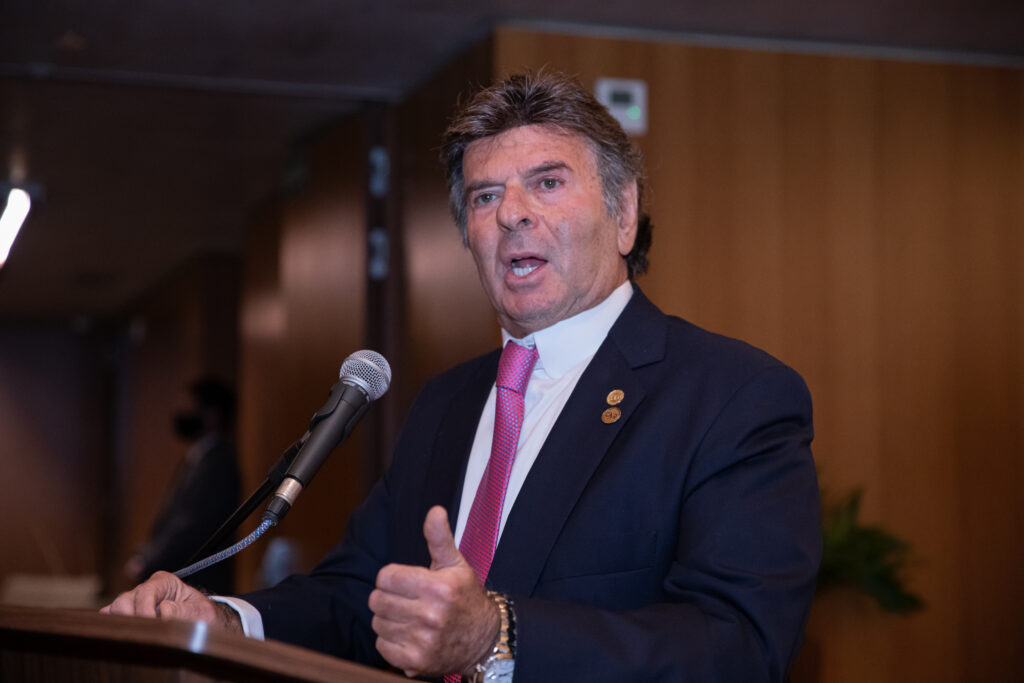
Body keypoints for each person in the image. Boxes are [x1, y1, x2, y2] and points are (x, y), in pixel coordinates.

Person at [104, 71, 820, 682]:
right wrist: (228, 619)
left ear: (624, 212)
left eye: (547, 182)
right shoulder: (446, 402)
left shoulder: (731, 395)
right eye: (484, 197)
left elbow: (740, 645)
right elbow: (362, 596)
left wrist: (499, 636)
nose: (512, 214)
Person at [122, 376, 241, 595]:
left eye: (190, 407)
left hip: (201, 584)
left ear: (212, 414)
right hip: (184, 580)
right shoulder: (196, 459)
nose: (181, 413)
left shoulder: (219, 463)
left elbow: (192, 527)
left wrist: (147, 560)